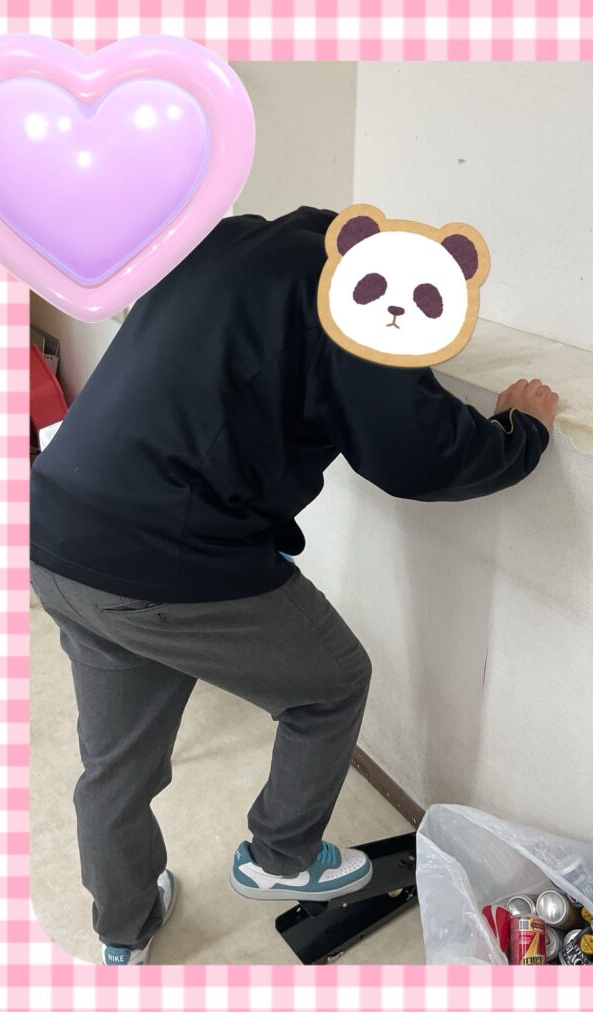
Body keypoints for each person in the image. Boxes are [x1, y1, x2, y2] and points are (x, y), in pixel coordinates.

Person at [29, 206, 558, 966]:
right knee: (332, 684)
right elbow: (414, 452)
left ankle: (123, 930)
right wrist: (519, 434)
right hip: (170, 555)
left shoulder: (238, 239)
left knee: (115, 763)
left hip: (57, 533)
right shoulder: (362, 300)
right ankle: (281, 858)